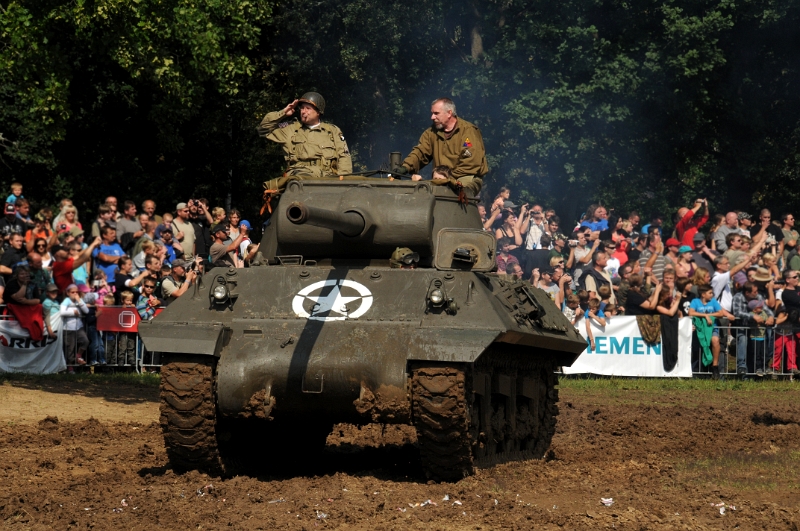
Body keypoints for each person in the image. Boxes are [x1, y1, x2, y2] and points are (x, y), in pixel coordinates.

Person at [396, 98, 488, 194]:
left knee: (458, 192)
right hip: (441, 179)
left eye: (436, 113)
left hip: (465, 177)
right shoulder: (431, 133)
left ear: (449, 113)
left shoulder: (468, 131)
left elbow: (470, 162)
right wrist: (405, 167)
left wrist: (448, 178)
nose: (432, 117)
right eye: (432, 113)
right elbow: (420, 152)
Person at [257, 92, 352, 178]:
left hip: (327, 178)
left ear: (318, 112)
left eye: (308, 108)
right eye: (302, 108)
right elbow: (263, 129)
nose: (303, 111)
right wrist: (283, 113)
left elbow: (344, 156)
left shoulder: (332, 131)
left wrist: (343, 179)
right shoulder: (290, 129)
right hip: (300, 178)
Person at [688, 284, 735, 379]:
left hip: (713, 327)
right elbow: (691, 312)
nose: (712, 294)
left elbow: (720, 313)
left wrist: (709, 315)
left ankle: (715, 366)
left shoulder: (713, 301)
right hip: (700, 328)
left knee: (715, 340)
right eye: (710, 293)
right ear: (703, 294)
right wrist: (705, 316)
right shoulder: (695, 301)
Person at [60, 284, 90, 367]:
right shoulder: (66, 300)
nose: (75, 294)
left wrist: (80, 301)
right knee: (70, 348)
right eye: (73, 292)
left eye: (77, 292)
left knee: (85, 341)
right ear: (68, 293)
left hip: (79, 327)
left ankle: (78, 355)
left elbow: (86, 311)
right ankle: (70, 367)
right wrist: (73, 312)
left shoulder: (79, 300)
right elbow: (62, 312)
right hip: (68, 328)